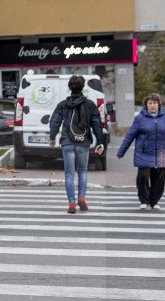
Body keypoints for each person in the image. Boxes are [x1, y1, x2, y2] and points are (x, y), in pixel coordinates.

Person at [48, 75, 105, 214]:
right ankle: (82, 197)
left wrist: (52, 137)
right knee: (82, 171)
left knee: (69, 173)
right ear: (82, 87)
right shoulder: (90, 105)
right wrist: (100, 141)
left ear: (70, 87)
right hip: (83, 142)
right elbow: (97, 124)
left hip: (67, 142)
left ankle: (71, 203)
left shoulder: (63, 104)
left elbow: (55, 121)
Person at [117, 93, 165, 210]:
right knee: (143, 177)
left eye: (154, 103)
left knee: (159, 178)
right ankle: (144, 200)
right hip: (144, 152)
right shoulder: (140, 118)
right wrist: (121, 151)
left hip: (160, 152)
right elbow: (130, 135)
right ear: (146, 105)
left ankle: (154, 201)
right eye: (150, 103)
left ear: (159, 104)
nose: (152, 105)